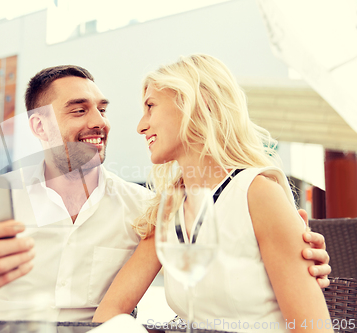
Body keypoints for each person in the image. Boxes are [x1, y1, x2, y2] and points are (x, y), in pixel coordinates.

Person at [0, 65, 331, 323]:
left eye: (103, 110)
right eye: (79, 111)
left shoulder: (145, 208)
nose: (100, 122)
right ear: (39, 128)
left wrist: (302, 257)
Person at [93, 55, 332, 332]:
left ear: (195, 105)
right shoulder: (169, 208)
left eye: (150, 107)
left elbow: (313, 327)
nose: (140, 126)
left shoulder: (258, 194)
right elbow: (109, 313)